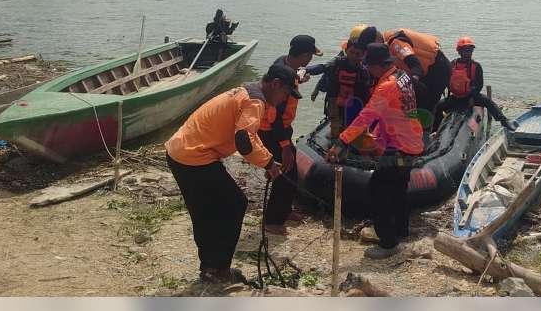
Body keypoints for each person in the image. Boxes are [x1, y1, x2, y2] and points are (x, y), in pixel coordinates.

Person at [164, 64, 299, 284]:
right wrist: (268, 163)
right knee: (234, 204)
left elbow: (248, 137)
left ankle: (211, 268)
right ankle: (218, 269)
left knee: (206, 212)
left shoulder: (247, 91)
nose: (285, 99)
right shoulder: (256, 101)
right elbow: (244, 141)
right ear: (275, 84)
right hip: (195, 157)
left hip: (181, 150)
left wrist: (267, 161)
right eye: (285, 93)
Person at [326, 43, 424, 259]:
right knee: (399, 190)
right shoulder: (402, 76)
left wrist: (341, 142)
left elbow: (366, 116)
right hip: (411, 141)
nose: (367, 70)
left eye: (369, 66)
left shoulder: (386, 86)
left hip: (397, 146)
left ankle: (389, 244)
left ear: (376, 66)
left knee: (377, 190)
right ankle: (401, 231)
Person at [261, 34, 323, 235]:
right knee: (285, 172)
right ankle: (272, 221)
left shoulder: (283, 65)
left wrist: (298, 80)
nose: (311, 60)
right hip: (272, 129)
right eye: (310, 56)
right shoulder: (286, 73)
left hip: (278, 127)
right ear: (305, 55)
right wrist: (285, 145)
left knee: (292, 171)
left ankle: (284, 210)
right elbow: (276, 118)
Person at [356, 26, 451, 127]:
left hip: (437, 68)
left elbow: (416, 66)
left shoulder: (396, 44)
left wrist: (410, 85)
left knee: (426, 105)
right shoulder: (384, 46)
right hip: (424, 71)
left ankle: (429, 133)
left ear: (377, 39)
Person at [432, 36, 516, 132]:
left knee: (489, 102)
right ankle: (435, 129)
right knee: (438, 106)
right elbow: (446, 80)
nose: (468, 53)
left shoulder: (476, 66)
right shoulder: (452, 64)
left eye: (470, 50)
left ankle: (504, 121)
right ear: (459, 51)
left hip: (470, 97)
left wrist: (471, 97)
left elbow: (479, 85)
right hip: (455, 97)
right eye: (466, 50)